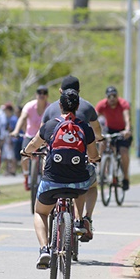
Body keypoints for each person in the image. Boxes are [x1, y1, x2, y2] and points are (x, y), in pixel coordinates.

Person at [22, 88, 100, 269]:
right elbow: (93, 154)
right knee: (86, 180)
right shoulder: (85, 128)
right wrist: (93, 158)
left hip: (52, 183)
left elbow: (33, 145)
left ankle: (43, 249)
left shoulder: (49, 125)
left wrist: (25, 152)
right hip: (77, 185)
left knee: (41, 212)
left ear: (60, 105)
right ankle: (80, 219)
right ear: (78, 106)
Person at [42, 75, 103, 242]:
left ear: (60, 92)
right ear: (79, 93)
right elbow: (97, 131)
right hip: (78, 164)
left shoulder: (50, 109)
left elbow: (41, 134)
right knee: (91, 184)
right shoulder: (88, 107)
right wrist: (99, 139)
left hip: (54, 166)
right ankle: (85, 219)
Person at [11, 86, 51, 190]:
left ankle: (45, 179)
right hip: (30, 136)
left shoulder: (50, 108)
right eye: (39, 93)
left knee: (46, 158)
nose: (41, 95)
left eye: (44, 93)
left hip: (44, 138)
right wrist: (16, 130)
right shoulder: (29, 106)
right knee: (24, 156)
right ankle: (26, 176)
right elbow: (22, 118)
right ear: (36, 95)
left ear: (47, 96)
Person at [95, 86, 132, 190]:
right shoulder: (102, 104)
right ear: (106, 97)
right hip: (109, 129)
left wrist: (127, 129)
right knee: (102, 144)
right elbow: (93, 117)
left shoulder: (123, 104)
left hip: (123, 130)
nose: (112, 99)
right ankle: (101, 171)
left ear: (117, 96)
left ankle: (125, 177)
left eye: (114, 96)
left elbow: (127, 118)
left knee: (123, 151)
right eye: (109, 96)